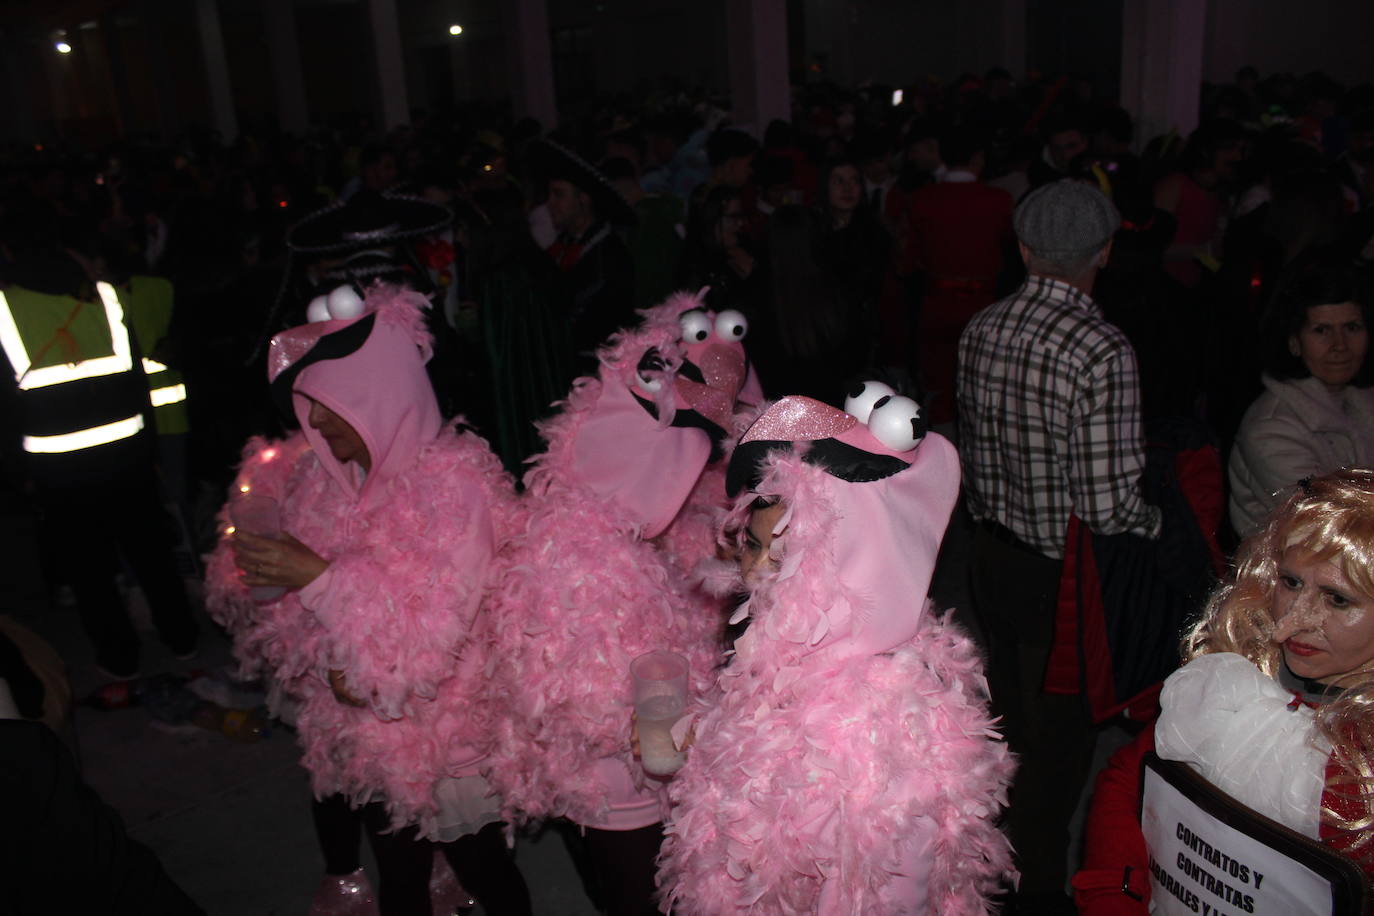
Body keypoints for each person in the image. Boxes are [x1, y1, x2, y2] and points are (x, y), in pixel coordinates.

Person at [204, 283, 530, 915]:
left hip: (446, 730)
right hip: (367, 730)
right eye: (310, 405)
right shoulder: (331, 477)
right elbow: (315, 620)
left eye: (332, 405)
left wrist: (317, 577)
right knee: (400, 875)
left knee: (482, 867)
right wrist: (324, 659)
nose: (315, 423)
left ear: (380, 396)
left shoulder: (456, 489)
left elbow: (434, 636)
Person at [657, 386, 1014, 913]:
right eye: (752, 547)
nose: (753, 572)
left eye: (783, 559)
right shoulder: (787, 656)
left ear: (853, 566)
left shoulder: (887, 741)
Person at [485, 291, 759, 916]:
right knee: (637, 892)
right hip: (620, 778)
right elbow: (585, 702)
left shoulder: (673, 513)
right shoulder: (576, 547)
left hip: (662, 762)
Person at [957, 179, 1161, 912]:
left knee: (1012, 724)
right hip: (1060, 578)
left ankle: (994, 861)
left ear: (1023, 249)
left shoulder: (981, 327)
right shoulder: (1101, 348)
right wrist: (1163, 528)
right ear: (1105, 251)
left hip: (989, 555)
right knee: (1059, 751)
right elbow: (1107, 507)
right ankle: (1033, 893)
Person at [1074, 468, 1374, 913]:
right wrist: (1113, 898)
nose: (1295, 619)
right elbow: (1129, 777)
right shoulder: (1234, 679)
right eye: (1290, 583)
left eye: (1337, 599)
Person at [1231, 263, 1374, 539]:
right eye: (1322, 330)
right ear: (1294, 342)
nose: (1340, 345)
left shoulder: (1360, 402)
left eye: (1352, 327)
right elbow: (1324, 526)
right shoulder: (1270, 428)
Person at [533, 139, 638, 366]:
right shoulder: (562, 245)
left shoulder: (608, 256)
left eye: (558, 195)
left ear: (583, 199)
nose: (550, 204)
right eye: (549, 195)